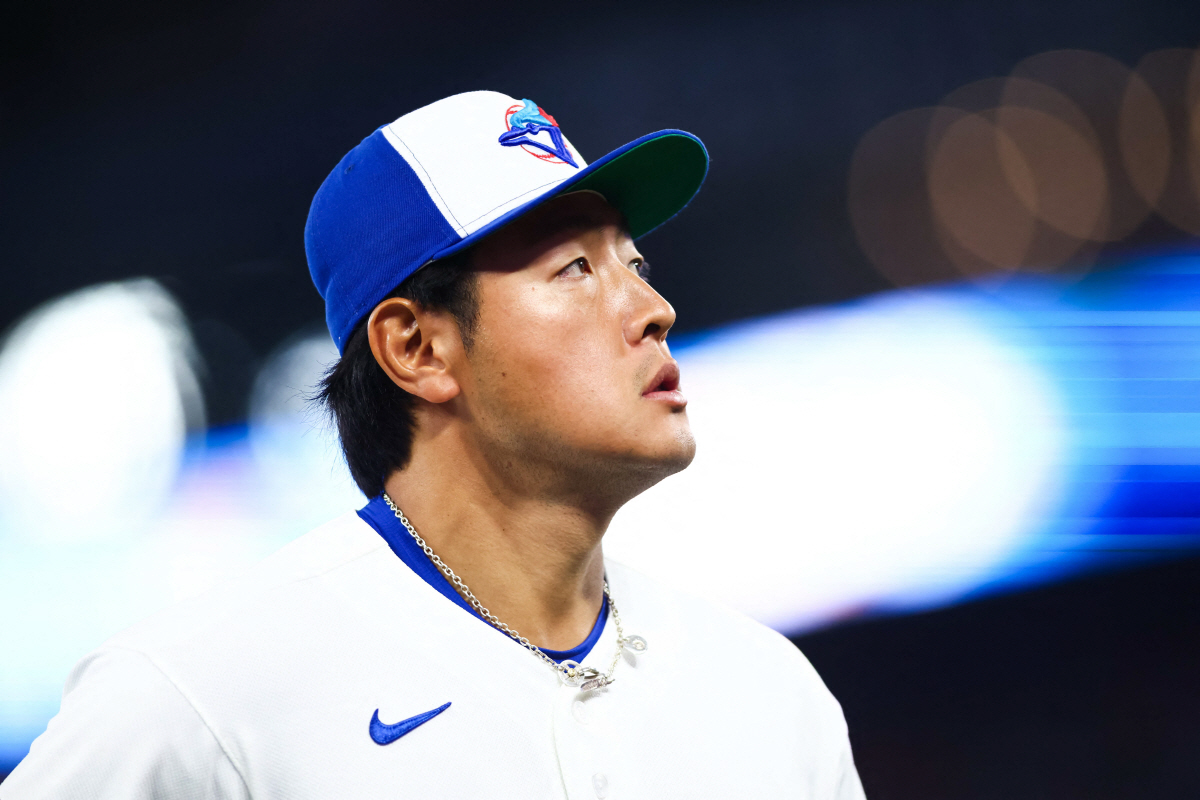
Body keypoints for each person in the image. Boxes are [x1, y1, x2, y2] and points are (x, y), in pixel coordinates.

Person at [3, 91, 866, 798]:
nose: (654, 311)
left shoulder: (767, 693)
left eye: (635, 267)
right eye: (575, 270)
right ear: (417, 349)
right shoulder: (200, 693)